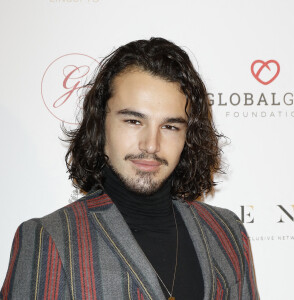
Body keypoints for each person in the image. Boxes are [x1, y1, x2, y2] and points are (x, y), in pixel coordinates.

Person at [0, 38, 259, 300]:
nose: (151, 145)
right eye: (134, 121)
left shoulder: (227, 232)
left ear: (188, 136)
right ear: (100, 124)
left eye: (170, 126)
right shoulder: (51, 239)